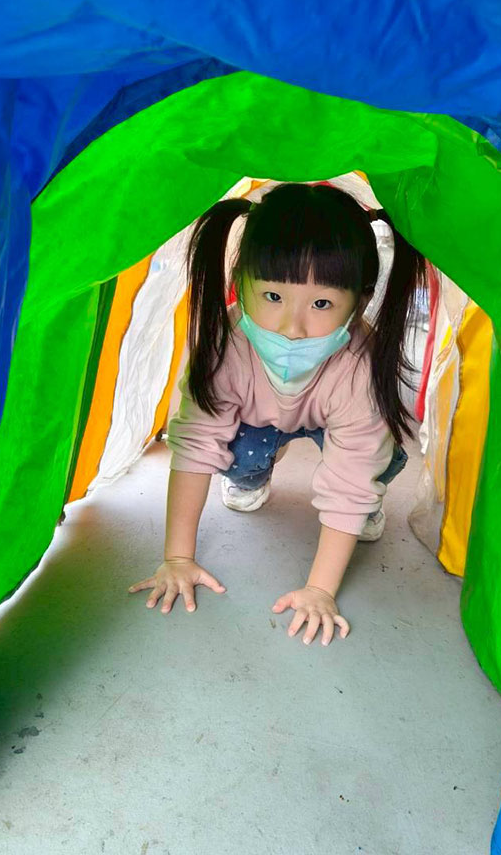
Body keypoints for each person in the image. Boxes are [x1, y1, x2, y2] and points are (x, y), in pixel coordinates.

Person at [129, 182, 425, 646]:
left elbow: (353, 471)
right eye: (272, 296)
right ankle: (254, 475)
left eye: (322, 303)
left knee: (378, 458)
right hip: (257, 420)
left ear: (361, 300)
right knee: (238, 450)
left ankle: (366, 506)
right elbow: (196, 443)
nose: (292, 327)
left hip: (335, 422)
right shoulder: (224, 346)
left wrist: (320, 590)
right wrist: (178, 558)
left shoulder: (359, 367)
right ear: (239, 283)